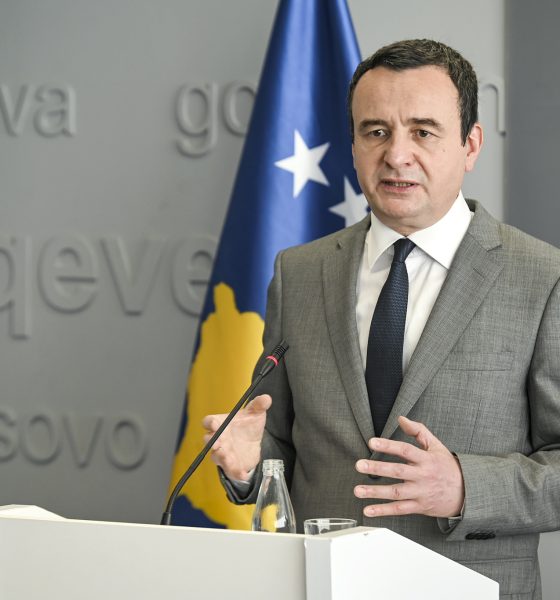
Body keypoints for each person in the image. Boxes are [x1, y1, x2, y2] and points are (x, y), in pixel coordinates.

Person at [202, 39, 560, 599]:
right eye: (376, 131)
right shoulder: (300, 272)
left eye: (423, 131)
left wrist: (466, 487)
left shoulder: (542, 277)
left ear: (470, 144)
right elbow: (280, 442)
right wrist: (249, 465)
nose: (396, 155)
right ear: (353, 146)